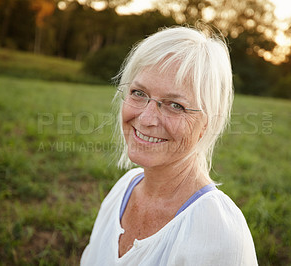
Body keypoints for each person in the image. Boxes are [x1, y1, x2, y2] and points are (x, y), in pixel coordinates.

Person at [81, 26, 258, 265]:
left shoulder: (218, 232)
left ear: (207, 123)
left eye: (175, 105)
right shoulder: (123, 189)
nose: (145, 119)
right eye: (138, 93)